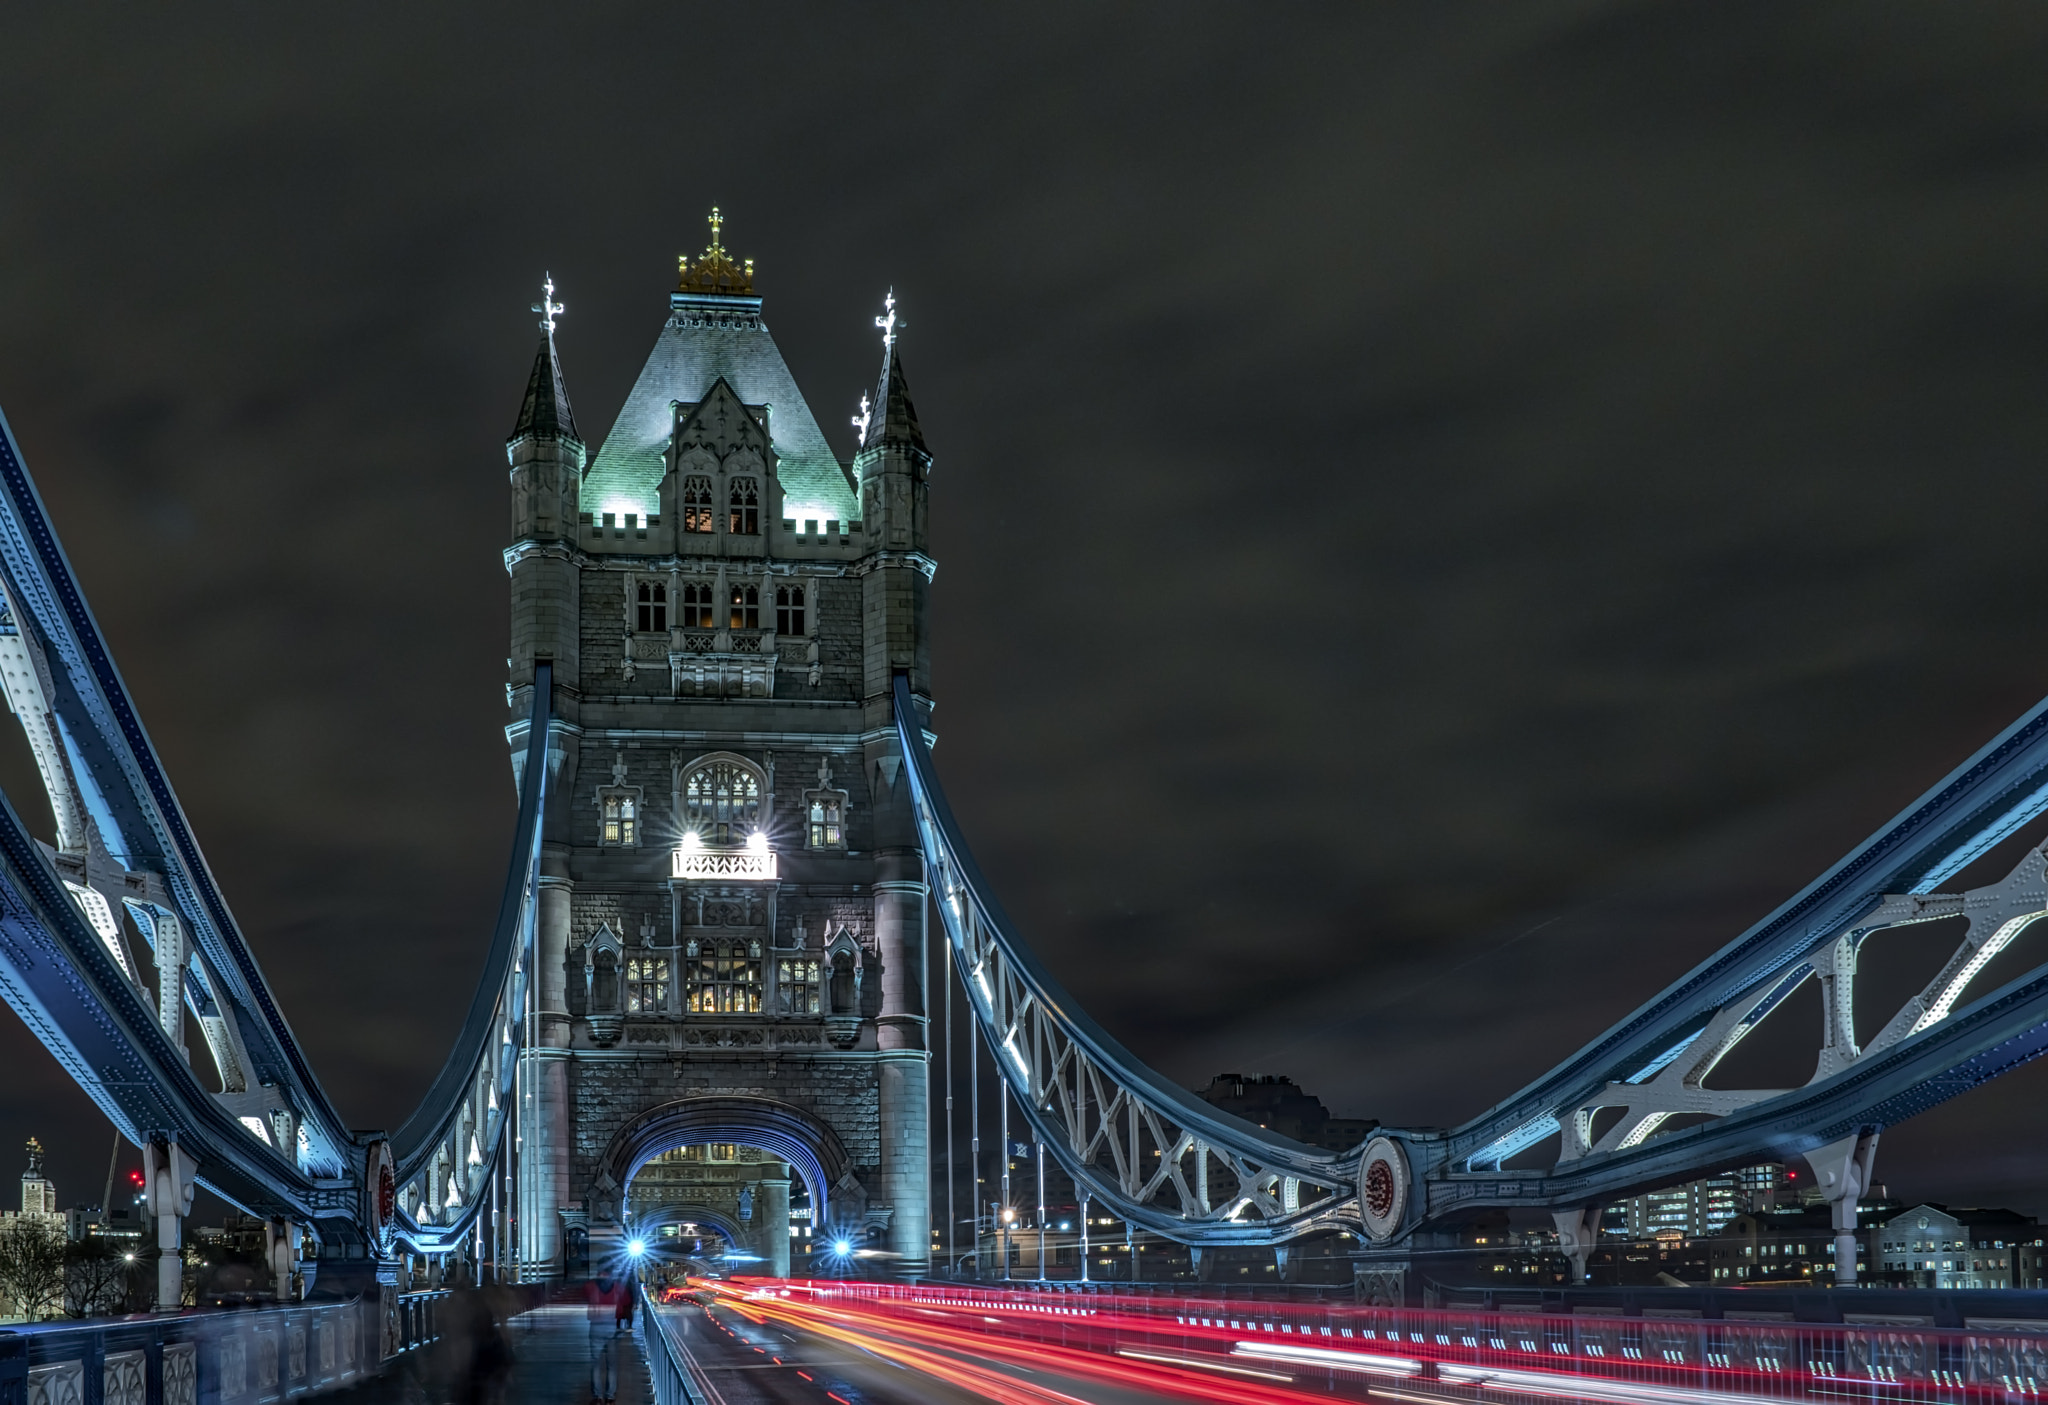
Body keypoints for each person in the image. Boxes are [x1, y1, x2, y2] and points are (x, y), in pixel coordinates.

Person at [583, 1271, 635, 1405]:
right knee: (611, 1365)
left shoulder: (590, 1286)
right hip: (612, 1327)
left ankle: (597, 1397)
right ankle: (610, 1397)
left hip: (595, 1327)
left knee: (596, 1364)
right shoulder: (618, 1286)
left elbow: (585, 1297)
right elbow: (627, 1302)